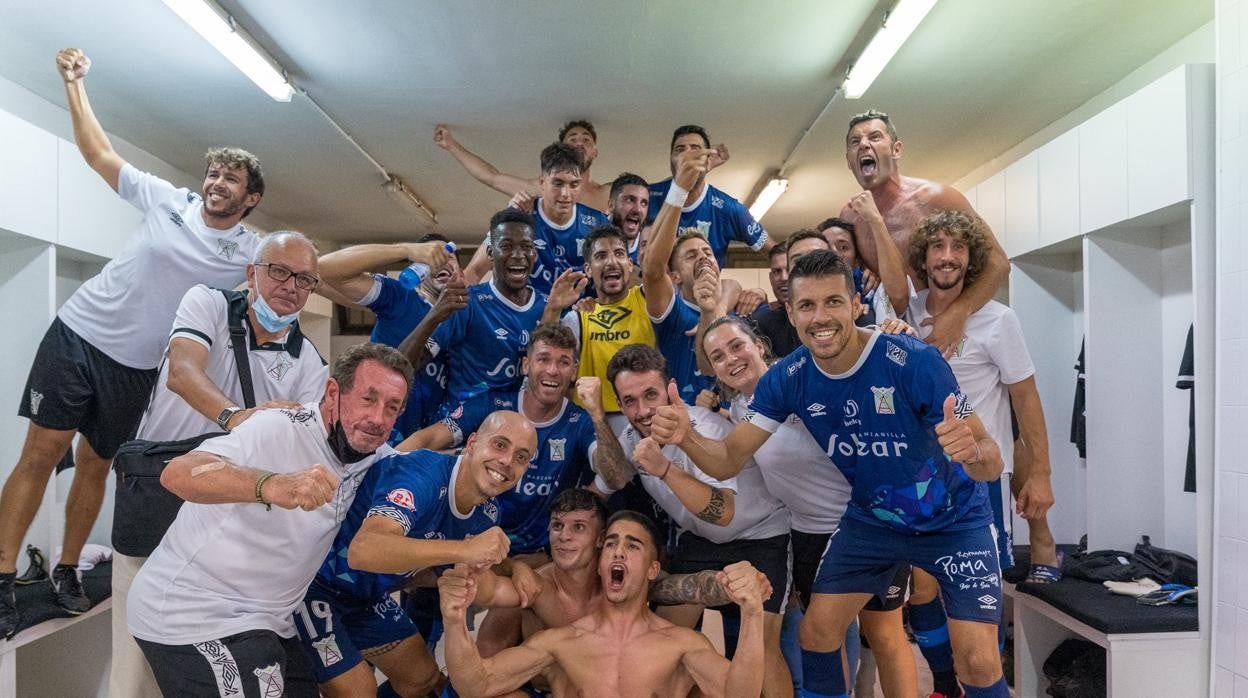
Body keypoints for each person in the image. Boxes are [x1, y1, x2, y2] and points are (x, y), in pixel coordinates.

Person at [650, 250, 1011, 697]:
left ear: (856, 303)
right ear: (791, 312)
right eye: (807, 306)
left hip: (954, 520)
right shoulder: (787, 378)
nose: (821, 318)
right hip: (872, 520)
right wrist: (685, 436)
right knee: (816, 634)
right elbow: (726, 458)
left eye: (833, 302)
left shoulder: (914, 360)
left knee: (977, 660)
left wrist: (973, 452)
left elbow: (991, 458)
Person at [0, 48, 267, 636]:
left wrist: (403, 256)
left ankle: (68, 568)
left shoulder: (251, 252)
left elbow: (319, 264)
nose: (217, 182)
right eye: (214, 172)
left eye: (232, 177)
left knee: (96, 466)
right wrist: (74, 84)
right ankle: (1, 576)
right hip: (79, 335)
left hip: (138, 367)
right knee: (41, 455)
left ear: (250, 198)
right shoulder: (169, 200)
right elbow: (99, 153)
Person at [109, 231, 330, 698]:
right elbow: (183, 372)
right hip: (160, 492)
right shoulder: (207, 303)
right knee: (132, 671)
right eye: (279, 271)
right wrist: (237, 418)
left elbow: (305, 442)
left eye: (304, 279)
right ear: (252, 272)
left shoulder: (310, 361)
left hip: (225, 528)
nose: (290, 286)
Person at [127, 343, 413, 697]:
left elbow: (433, 464)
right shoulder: (277, 427)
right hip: (193, 612)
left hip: (270, 621)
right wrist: (273, 484)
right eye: (368, 399)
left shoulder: (375, 457)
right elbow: (178, 474)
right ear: (333, 393)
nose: (378, 419)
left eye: (392, 408)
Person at [700, 315, 918, 697]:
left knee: (883, 634)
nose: (730, 359)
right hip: (806, 535)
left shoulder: (803, 380)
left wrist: (894, 339)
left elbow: (861, 378)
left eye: (737, 346)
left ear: (760, 345)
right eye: (717, 356)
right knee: (824, 638)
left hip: (864, 522)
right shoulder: (737, 411)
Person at [896, 210, 1058, 698]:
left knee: (976, 615)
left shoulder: (997, 319)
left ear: (971, 259)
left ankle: (986, 680)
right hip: (918, 478)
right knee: (921, 589)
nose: (947, 257)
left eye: (958, 248)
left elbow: (1026, 399)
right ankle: (945, 685)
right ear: (923, 258)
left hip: (977, 479)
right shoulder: (904, 311)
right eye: (937, 247)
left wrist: (1042, 473)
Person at [294, 410, 537, 697]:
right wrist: (464, 549)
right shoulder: (422, 472)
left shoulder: (487, 514)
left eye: (521, 457)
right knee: (358, 690)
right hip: (314, 585)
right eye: (499, 444)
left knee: (424, 680)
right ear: (472, 443)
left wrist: (518, 569)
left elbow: (482, 580)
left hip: (367, 598)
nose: (507, 461)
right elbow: (363, 550)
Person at [597, 344, 793, 697]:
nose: (642, 411)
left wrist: (665, 470)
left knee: (763, 644)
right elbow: (614, 476)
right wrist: (597, 415)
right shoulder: (630, 435)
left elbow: (725, 513)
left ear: (670, 389)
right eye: (629, 400)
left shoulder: (706, 426)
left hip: (760, 534)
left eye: (651, 395)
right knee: (659, 633)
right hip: (700, 539)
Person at [440, 510, 768, 698]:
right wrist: (454, 620)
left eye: (633, 546)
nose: (618, 552)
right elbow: (477, 684)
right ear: (600, 563)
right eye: (611, 544)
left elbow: (739, 694)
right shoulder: (561, 642)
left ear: (653, 569)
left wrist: (752, 615)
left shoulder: (682, 646)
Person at [398, 324, 619, 558]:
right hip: (468, 546)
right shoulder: (492, 405)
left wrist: (597, 414)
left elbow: (614, 475)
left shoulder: (580, 421)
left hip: (538, 557)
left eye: (563, 362)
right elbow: (430, 438)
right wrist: (381, 465)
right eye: (543, 359)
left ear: (574, 371)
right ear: (526, 365)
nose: (553, 370)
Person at [839, 109, 1010, 354]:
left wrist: (959, 312)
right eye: (855, 142)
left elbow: (999, 263)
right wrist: (869, 271)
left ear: (896, 149)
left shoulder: (937, 198)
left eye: (874, 137)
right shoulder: (851, 215)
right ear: (848, 160)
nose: (864, 145)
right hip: (896, 340)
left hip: (958, 328)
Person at [400, 209, 548, 420]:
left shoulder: (549, 306)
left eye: (526, 247)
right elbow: (402, 363)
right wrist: (434, 316)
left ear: (534, 253)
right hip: (462, 434)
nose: (518, 255)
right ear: (490, 254)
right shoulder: (467, 302)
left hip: (519, 433)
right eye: (506, 246)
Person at [315, 234, 456, 439]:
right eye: (433, 255)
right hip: (371, 434)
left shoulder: (463, 315)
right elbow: (324, 268)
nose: (442, 260)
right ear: (418, 269)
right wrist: (405, 249)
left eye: (450, 256)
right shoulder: (400, 297)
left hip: (426, 445)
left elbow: (478, 267)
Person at [642, 148, 751, 405]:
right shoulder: (673, 311)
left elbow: (731, 285)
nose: (702, 257)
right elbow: (652, 268)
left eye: (707, 252)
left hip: (735, 418)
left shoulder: (734, 312)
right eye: (690, 256)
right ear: (676, 276)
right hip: (687, 423)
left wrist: (719, 306)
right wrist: (680, 188)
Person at [462, 143, 609, 295]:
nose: (566, 193)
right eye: (558, 183)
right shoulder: (518, 217)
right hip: (528, 315)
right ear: (542, 183)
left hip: (581, 315)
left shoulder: (599, 223)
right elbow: (474, 271)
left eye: (574, 184)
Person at [646, 125, 775, 267]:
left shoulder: (728, 209)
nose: (688, 156)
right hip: (654, 286)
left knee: (730, 286)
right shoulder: (646, 197)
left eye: (696, 149)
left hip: (706, 287)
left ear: (708, 160)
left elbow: (776, 252)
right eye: (680, 150)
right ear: (671, 160)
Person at [434, 121, 612, 212]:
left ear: (595, 151)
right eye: (572, 139)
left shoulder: (608, 194)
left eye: (586, 139)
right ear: (561, 149)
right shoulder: (540, 188)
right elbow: (491, 177)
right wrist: (451, 145)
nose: (579, 143)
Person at [607, 172, 650, 250]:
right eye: (630, 200)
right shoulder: (587, 235)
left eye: (643, 203)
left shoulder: (650, 246)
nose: (638, 209)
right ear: (611, 205)